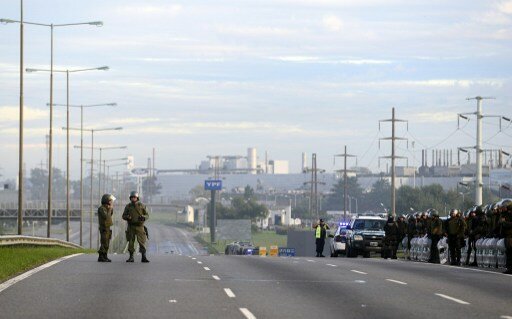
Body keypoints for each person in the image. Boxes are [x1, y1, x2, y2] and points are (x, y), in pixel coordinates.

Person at [122, 191, 150, 263]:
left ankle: (144, 257)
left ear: (137, 198)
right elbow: (123, 216)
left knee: (142, 242)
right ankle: (131, 257)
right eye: (132, 197)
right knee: (131, 242)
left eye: (134, 197)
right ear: (130, 198)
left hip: (140, 226)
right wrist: (127, 217)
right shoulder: (128, 206)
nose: (133, 198)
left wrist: (143, 217)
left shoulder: (142, 205)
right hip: (131, 226)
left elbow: (147, 215)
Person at [98, 194, 116, 262]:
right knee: (104, 242)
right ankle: (101, 256)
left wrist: (110, 208)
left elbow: (110, 215)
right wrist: (110, 209)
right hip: (104, 228)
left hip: (108, 227)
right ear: (106, 201)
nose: (111, 202)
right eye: (110, 201)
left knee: (107, 243)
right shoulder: (101, 208)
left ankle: (105, 256)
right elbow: (106, 216)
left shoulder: (107, 208)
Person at [499, 200, 512, 274]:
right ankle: (509, 268)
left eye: (504, 207)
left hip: (510, 236)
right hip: (507, 236)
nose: (503, 208)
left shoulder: (510, 214)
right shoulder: (505, 214)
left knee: (510, 252)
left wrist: (504, 222)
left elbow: (509, 224)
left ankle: (510, 268)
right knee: (508, 252)